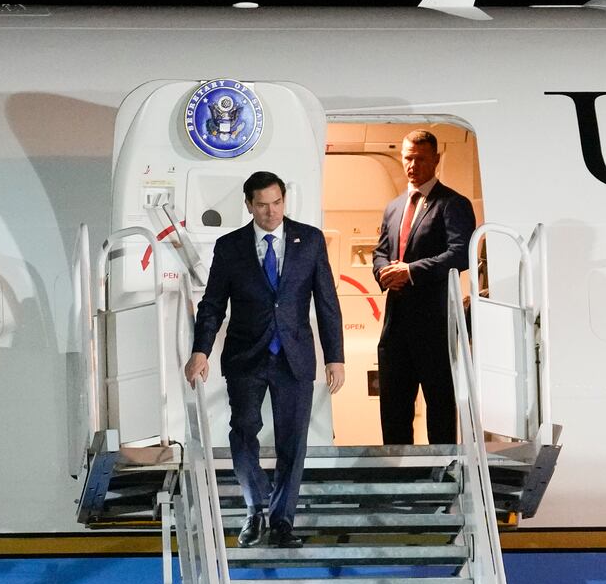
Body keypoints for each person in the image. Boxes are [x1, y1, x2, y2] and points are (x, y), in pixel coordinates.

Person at [185, 171, 345, 548]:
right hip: (246, 355)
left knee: (294, 441)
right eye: (262, 205)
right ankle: (256, 506)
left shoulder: (310, 241)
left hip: (294, 356)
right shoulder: (229, 246)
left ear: (284, 200)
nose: (271, 212)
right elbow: (212, 306)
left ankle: (282, 521)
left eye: (277, 203)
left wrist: (335, 357)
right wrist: (201, 350)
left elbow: (327, 302)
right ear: (248, 205)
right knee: (243, 432)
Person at [371, 129, 476, 445]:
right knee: (393, 407)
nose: (412, 165)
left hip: (435, 324)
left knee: (440, 407)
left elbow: (460, 254)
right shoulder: (393, 207)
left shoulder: (453, 204)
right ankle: (396, 475)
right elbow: (381, 251)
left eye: (419, 158)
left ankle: (441, 475)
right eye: (407, 158)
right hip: (396, 323)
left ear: (435, 160)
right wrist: (383, 272)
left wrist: (411, 271)